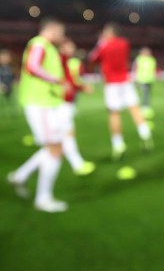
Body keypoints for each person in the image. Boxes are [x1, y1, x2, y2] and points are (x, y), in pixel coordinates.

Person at [7, 16, 70, 213]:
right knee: (55, 149)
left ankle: (20, 176)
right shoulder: (40, 44)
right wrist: (56, 81)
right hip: (39, 104)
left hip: (46, 104)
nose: (63, 36)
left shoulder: (48, 47)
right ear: (51, 30)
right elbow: (33, 67)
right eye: (61, 32)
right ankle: (43, 198)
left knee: (55, 147)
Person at [88, 22, 154, 166]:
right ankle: (146, 136)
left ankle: (118, 145)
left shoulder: (104, 45)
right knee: (135, 109)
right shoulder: (124, 43)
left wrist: (101, 42)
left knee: (114, 114)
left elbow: (92, 59)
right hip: (125, 82)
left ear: (110, 32)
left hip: (111, 84)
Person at [59, 37, 96, 176]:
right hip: (60, 103)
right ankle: (77, 164)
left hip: (64, 102)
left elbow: (70, 81)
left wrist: (80, 87)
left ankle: (20, 176)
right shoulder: (59, 60)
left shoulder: (65, 61)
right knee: (63, 137)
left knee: (59, 140)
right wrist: (82, 87)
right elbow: (66, 82)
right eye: (69, 46)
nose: (72, 49)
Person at [132, 46, 157, 119]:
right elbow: (135, 69)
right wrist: (135, 78)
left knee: (148, 94)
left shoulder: (152, 59)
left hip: (150, 80)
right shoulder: (139, 59)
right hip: (142, 80)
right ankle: (143, 107)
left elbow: (153, 69)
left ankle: (147, 107)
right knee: (144, 94)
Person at [0, 49, 17, 117]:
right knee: (2, 99)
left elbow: (12, 76)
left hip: (9, 84)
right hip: (2, 84)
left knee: (10, 98)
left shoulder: (10, 67)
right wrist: (0, 85)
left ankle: (12, 111)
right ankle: (2, 112)